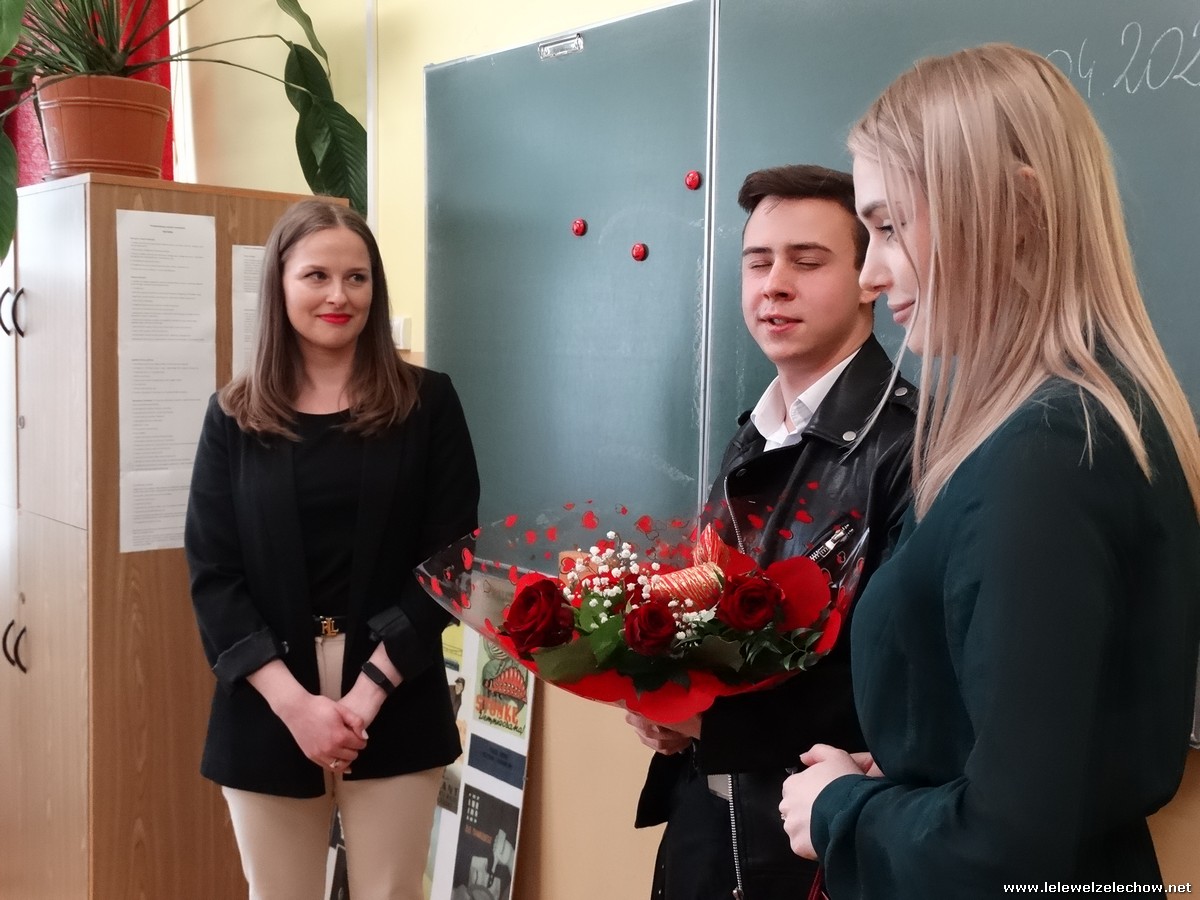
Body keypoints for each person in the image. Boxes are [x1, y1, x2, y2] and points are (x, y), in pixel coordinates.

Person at [779, 43, 1200, 896]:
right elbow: (1041, 762)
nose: (870, 274)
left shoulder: (1047, 459)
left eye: (890, 226)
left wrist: (839, 811)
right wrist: (905, 768)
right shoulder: (1078, 426)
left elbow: (1004, 850)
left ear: (1018, 212)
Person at [626, 164, 918, 899]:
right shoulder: (752, 435)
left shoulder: (909, 448)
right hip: (707, 817)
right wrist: (665, 701)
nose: (774, 285)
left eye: (807, 262)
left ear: (869, 280)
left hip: (810, 840)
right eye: (758, 263)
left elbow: (895, 685)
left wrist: (708, 719)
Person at [185, 198, 480, 900]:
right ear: (280, 284)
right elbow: (213, 576)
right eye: (316, 276)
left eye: (357, 277)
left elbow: (451, 560)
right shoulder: (233, 416)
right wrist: (296, 706)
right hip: (268, 700)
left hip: (394, 690)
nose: (338, 296)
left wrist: (368, 693)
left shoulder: (428, 403)